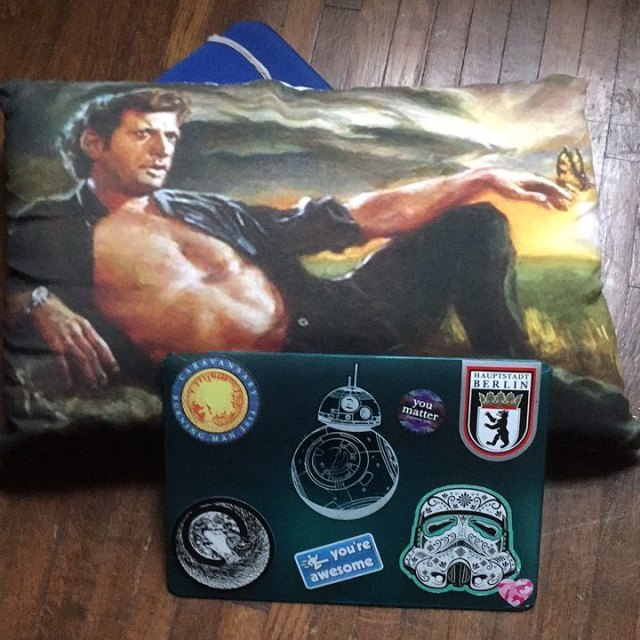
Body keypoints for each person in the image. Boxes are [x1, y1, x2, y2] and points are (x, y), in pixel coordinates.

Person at [5, 88, 637, 446]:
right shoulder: (58, 225)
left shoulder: (200, 207)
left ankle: (515, 372)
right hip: (298, 371)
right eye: (144, 134)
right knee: (584, 411)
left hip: (343, 311)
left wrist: (475, 178)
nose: (162, 149)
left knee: (474, 222)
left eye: (170, 137)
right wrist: (37, 301)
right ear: (94, 143)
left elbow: (338, 219)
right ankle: (547, 405)